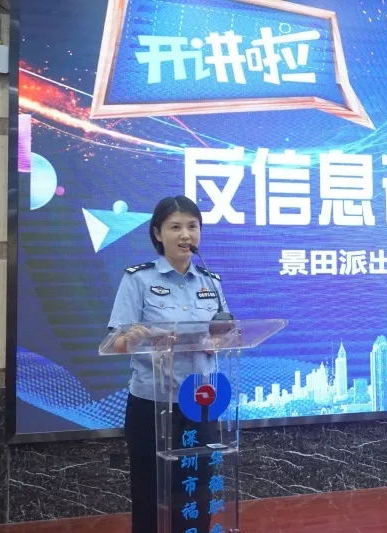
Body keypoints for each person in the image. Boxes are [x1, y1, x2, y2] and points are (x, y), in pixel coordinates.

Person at [107, 195, 228, 533]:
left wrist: (219, 342)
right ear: (158, 234)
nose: (185, 234)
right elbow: (116, 341)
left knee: (197, 490)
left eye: (192, 226)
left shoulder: (211, 283)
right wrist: (133, 338)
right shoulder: (138, 279)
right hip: (152, 404)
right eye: (175, 227)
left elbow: (225, 335)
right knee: (151, 492)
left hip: (200, 401)